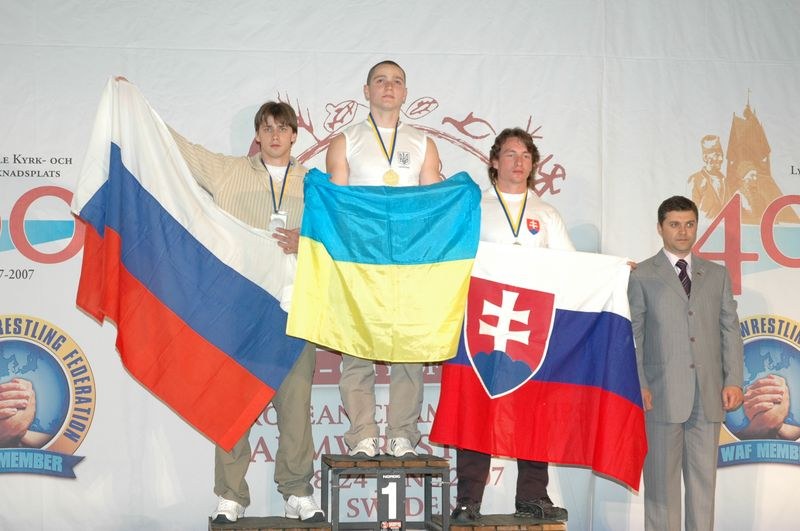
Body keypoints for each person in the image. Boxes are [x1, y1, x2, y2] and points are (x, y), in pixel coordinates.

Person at [126, 81, 324, 523]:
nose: (275, 135)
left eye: (283, 128)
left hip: (295, 309)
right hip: (239, 310)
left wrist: (307, 241)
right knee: (232, 401)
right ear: (258, 134)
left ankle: (296, 490)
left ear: (295, 135)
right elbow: (177, 147)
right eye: (267, 127)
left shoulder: (317, 185)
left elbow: (338, 239)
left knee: (295, 407)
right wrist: (136, 105)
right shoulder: (226, 171)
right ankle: (231, 494)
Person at [451, 128, 570, 523]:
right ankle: (468, 499)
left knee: (535, 412)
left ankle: (533, 495)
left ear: (534, 164)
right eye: (509, 154)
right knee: (476, 413)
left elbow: (572, 268)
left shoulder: (547, 214)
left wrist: (614, 271)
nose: (518, 162)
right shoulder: (475, 208)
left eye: (525, 155)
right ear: (494, 161)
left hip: (531, 329)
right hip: (482, 326)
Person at [325, 60, 441, 458]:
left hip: (407, 262)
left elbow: (433, 206)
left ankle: (403, 433)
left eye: (396, 82)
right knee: (356, 346)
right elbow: (337, 206)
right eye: (380, 81)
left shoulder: (423, 143)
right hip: (360, 259)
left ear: (405, 92)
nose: (388, 87)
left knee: (407, 350)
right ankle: (362, 433)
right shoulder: (345, 140)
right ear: (366, 90)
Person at [628, 195, 744, 531]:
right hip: (660, 396)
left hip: (708, 397)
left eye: (689, 224)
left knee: (703, 490)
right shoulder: (642, 275)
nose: (683, 231)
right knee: (661, 491)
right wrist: (640, 385)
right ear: (660, 228)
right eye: (675, 224)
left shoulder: (717, 275)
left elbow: (729, 330)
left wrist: (733, 379)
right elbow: (634, 334)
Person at [687, 135, 727, 219]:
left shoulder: (725, 181)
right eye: (716, 155)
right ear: (705, 157)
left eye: (721, 154)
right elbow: (689, 215)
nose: (720, 158)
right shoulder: (695, 180)